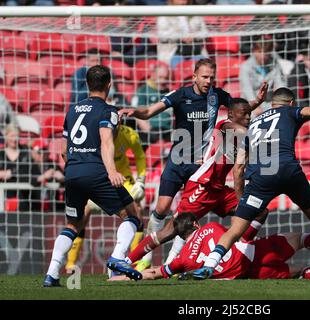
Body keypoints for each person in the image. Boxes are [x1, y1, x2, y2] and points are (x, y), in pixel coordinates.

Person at [189, 87, 310, 280]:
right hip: (288, 170)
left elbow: (238, 168)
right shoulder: (289, 111)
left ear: (272, 104)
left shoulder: (252, 125)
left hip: (261, 179)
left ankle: (209, 265)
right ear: (292, 103)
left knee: (236, 229)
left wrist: (241, 200)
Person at [120, 58, 268, 259]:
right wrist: (135, 112)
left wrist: (257, 103)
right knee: (162, 209)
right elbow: (149, 111)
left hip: (200, 165)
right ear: (194, 77)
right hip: (180, 159)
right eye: (205, 77)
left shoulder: (217, 96)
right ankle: (144, 259)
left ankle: (172, 261)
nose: (208, 81)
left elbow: (239, 110)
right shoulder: (180, 95)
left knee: (187, 219)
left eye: (212, 78)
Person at [43, 65, 143, 287]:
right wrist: (112, 171)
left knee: (73, 224)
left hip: (72, 173)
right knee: (133, 215)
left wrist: (76, 168)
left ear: (87, 84)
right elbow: (106, 142)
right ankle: (117, 258)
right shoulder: (109, 111)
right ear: (109, 84)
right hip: (96, 172)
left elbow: (63, 150)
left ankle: (52, 274)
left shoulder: (72, 110)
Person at [109, 213, 310, 282]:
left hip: (248, 275)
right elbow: (241, 232)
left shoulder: (182, 260)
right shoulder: (212, 228)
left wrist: (123, 277)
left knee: (298, 271)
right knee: (300, 238)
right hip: (255, 252)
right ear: (196, 223)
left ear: (180, 235)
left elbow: (155, 273)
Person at [64, 122, 147, 274]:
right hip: (99, 179)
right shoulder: (94, 134)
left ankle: (135, 261)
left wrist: (141, 180)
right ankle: (70, 264)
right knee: (83, 212)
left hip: (123, 179)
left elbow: (140, 156)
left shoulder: (129, 134)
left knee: (137, 210)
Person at [239, 34, 287, 116]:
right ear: (254, 51)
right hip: (250, 104)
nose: (263, 55)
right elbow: (247, 90)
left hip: (269, 103)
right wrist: (255, 105)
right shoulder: (245, 67)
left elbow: (280, 84)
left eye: (266, 52)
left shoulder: (275, 64)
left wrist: (280, 100)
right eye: (259, 52)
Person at [0, 124, 39, 212]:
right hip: (4, 199)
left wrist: (11, 173)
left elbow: (33, 172)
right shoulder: (1, 154)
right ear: (6, 136)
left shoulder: (26, 152)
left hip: (25, 198)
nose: (14, 139)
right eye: (12, 136)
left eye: (17, 136)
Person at [134, 62, 172, 145]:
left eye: (165, 78)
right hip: (149, 133)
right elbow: (137, 115)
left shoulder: (169, 92)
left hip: (168, 132)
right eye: (160, 77)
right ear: (153, 75)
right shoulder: (143, 90)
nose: (163, 81)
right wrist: (150, 131)